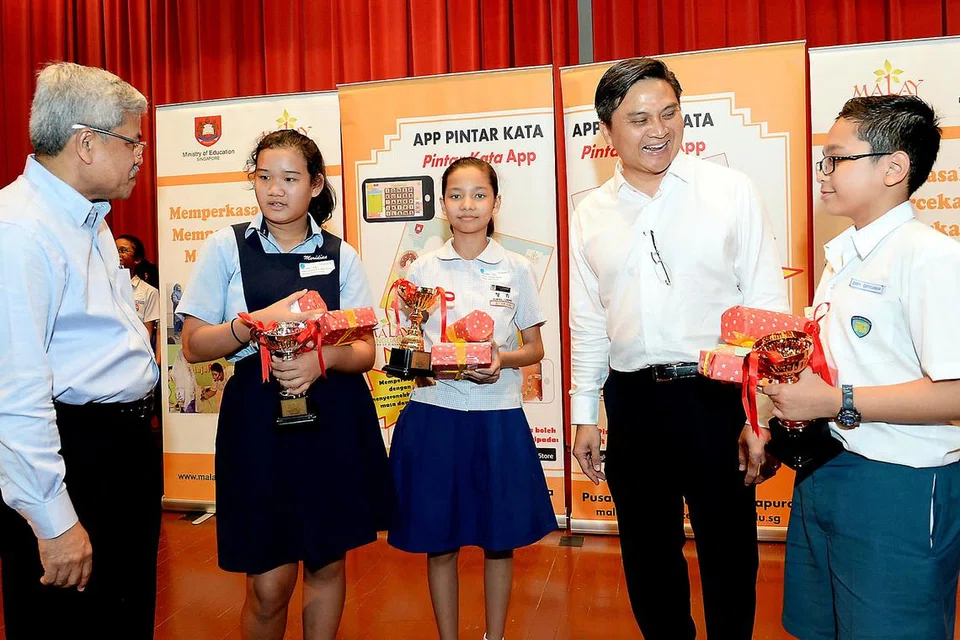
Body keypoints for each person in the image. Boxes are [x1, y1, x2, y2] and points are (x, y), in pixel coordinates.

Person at [568, 57, 789, 640]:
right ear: (606, 130)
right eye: (639, 119)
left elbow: (766, 305)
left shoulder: (730, 191)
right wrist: (585, 413)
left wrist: (760, 412)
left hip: (717, 395)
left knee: (730, 554)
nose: (659, 130)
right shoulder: (591, 213)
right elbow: (588, 321)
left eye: (669, 114)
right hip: (633, 402)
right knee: (647, 557)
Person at [178, 129, 393, 640]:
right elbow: (193, 345)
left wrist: (323, 359)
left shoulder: (342, 255)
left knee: (327, 561)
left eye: (290, 178)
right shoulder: (226, 247)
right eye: (264, 177)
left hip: (331, 415)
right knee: (268, 580)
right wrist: (255, 324)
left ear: (316, 185)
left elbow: (366, 350)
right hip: (256, 420)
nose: (275, 189)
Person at [762, 95, 960, 640]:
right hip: (825, 467)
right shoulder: (845, 257)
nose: (822, 173)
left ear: (893, 168)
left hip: (899, 485)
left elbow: (956, 392)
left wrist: (837, 401)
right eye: (823, 160)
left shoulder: (931, 258)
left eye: (836, 159)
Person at [0, 62, 160, 638]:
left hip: (120, 452)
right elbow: (15, 395)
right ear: (86, 143)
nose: (140, 154)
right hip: (75, 458)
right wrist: (54, 521)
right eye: (132, 140)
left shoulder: (87, 217)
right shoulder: (20, 230)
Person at [388, 157, 556, 640]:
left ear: (496, 203)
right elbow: (406, 349)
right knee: (439, 540)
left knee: (499, 540)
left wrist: (501, 359)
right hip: (434, 414)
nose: (468, 204)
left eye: (479, 194)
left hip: (496, 416)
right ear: (443, 205)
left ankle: (494, 636)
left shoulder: (517, 268)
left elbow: (535, 348)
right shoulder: (420, 270)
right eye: (456, 195)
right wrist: (430, 359)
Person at [117, 233, 161, 362]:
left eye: (123, 250)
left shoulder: (149, 291)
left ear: (137, 259)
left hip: (135, 356)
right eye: (113, 250)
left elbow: (148, 332)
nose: (117, 254)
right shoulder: (102, 287)